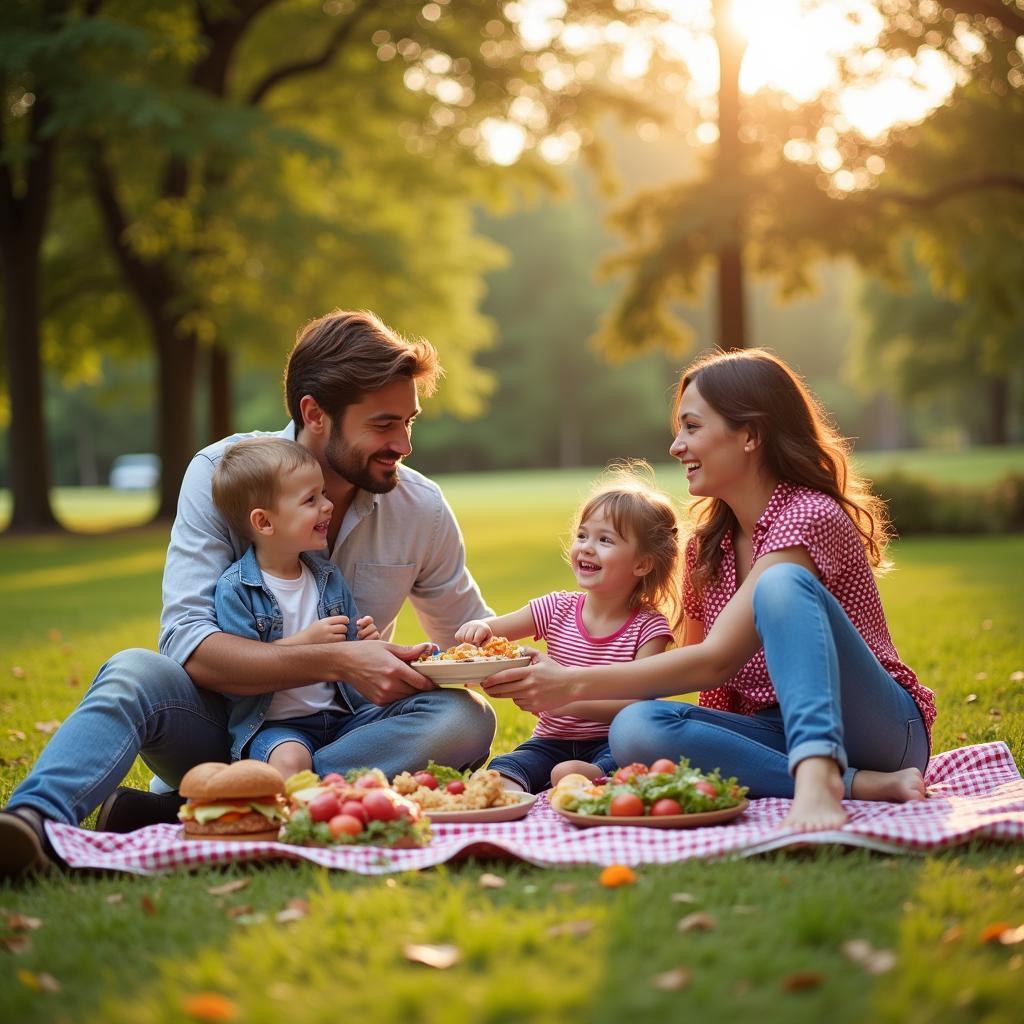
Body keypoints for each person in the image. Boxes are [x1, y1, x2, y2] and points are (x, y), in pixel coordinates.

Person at [0, 310, 496, 879]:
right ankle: (30, 823)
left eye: (410, 421)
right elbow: (190, 646)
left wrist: (553, 663)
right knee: (134, 672)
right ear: (314, 413)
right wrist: (337, 656)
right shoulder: (220, 475)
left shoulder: (421, 507)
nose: (404, 444)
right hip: (225, 724)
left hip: (347, 728)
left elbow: (467, 637)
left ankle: (205, 809)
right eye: (384, 424)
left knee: (464, 718)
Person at [482, 349, 935, 832]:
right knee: (636, 728)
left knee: (780, 584)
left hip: (879, 730)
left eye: (692, 427)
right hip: (770, 731)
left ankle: (821, 771)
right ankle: (853, 784)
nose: (677, 446)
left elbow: (718, 658)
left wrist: (570, 683)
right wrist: (566, 697)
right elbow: (683, 673)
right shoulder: (705, 549)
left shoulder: (808, 515)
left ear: (750, 435)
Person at [457, 466, 678, 793]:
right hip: (550, 740)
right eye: (582, 535)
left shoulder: (650, 629)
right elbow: (494, 631)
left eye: (605, 540)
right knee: (505, 769)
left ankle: (585, 777)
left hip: (611, 742)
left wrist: (563, 701)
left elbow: (637, 707)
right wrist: (478, 628)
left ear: (642, 564)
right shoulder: (556, 608)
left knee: (625, 762)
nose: (587, 547)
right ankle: (527, 787)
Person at [210, 436, 385, 778]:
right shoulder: (236, 588)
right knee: (290, 761)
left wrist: (367, 642)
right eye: (310, 500)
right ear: (264, 523)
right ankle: (314, 794)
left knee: (440, 713)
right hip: (279, 729)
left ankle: (315, 784)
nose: (327, 505)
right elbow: (237, 677)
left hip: (344, 719)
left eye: (322, 494)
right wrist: (305, 643)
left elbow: (354, 656)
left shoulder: (328, 578)